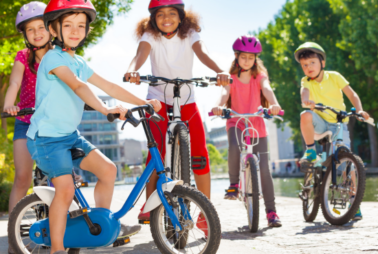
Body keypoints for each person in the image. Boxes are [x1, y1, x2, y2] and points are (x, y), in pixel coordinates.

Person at [25, 0, 161, 253]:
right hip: (45, 139)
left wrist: (144, 103)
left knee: (108, 170)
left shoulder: (79, 61)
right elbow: (79, 86)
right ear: (54, 30)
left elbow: (108, 86)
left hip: (69, 135)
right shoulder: (52, 59)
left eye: (81, 25)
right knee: (65, 190)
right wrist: (107, 109)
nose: (75, 30)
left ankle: (101, 225)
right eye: (68, 25)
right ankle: (57, 249)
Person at [124, 0, 230, 236]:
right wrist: (133, 70)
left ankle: (204, 213)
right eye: (160, 14)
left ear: (181, 17)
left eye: (172, 13)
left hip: (187, 99)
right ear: (153, 19)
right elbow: (140, 54)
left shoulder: (189, 33)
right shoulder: (150, 34)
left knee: (201, 154)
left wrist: (219, 71)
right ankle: (149, 203)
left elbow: (202, 52)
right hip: (158, 99)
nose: (166, 18)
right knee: (157, 153)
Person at [211, 35, 282, 227]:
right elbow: (224, 94)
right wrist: (218, 106)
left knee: (265, 170)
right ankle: (234, 184)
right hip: (236, 121)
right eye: (243, 57)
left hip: (256, 123)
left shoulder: (259, 76)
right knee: (234, 146)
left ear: (256, 59)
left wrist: (274, 104)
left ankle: (271, 212)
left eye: (251, 58)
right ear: (236, 56)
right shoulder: (231, 78)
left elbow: (267, 89)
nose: (247, 61)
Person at [294, 42, 370, 221]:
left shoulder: (334, 76)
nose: (308, 67)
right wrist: (307, 102)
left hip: (338, 123)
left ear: (322, 63)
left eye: (312, 63)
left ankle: (354, 202)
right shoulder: (306, 81)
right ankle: (311, 150)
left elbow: (352, 94)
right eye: (304, 65)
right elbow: (304, 95)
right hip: (320, 123)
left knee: (348, 163)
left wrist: (359, 110)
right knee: (305, 115)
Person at [3, 3, 53, 253]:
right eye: (30, 29)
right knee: (22, 177)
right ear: (25, 34)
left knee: (61, 179)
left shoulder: (60, 55)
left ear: (51, 28)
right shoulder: (23, 56)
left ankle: (61, 233)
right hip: (25, 121)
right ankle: (15, 239)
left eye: (41, 27)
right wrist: (9, 104)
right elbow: (14, 82)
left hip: (54, 124)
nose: (36, 33)